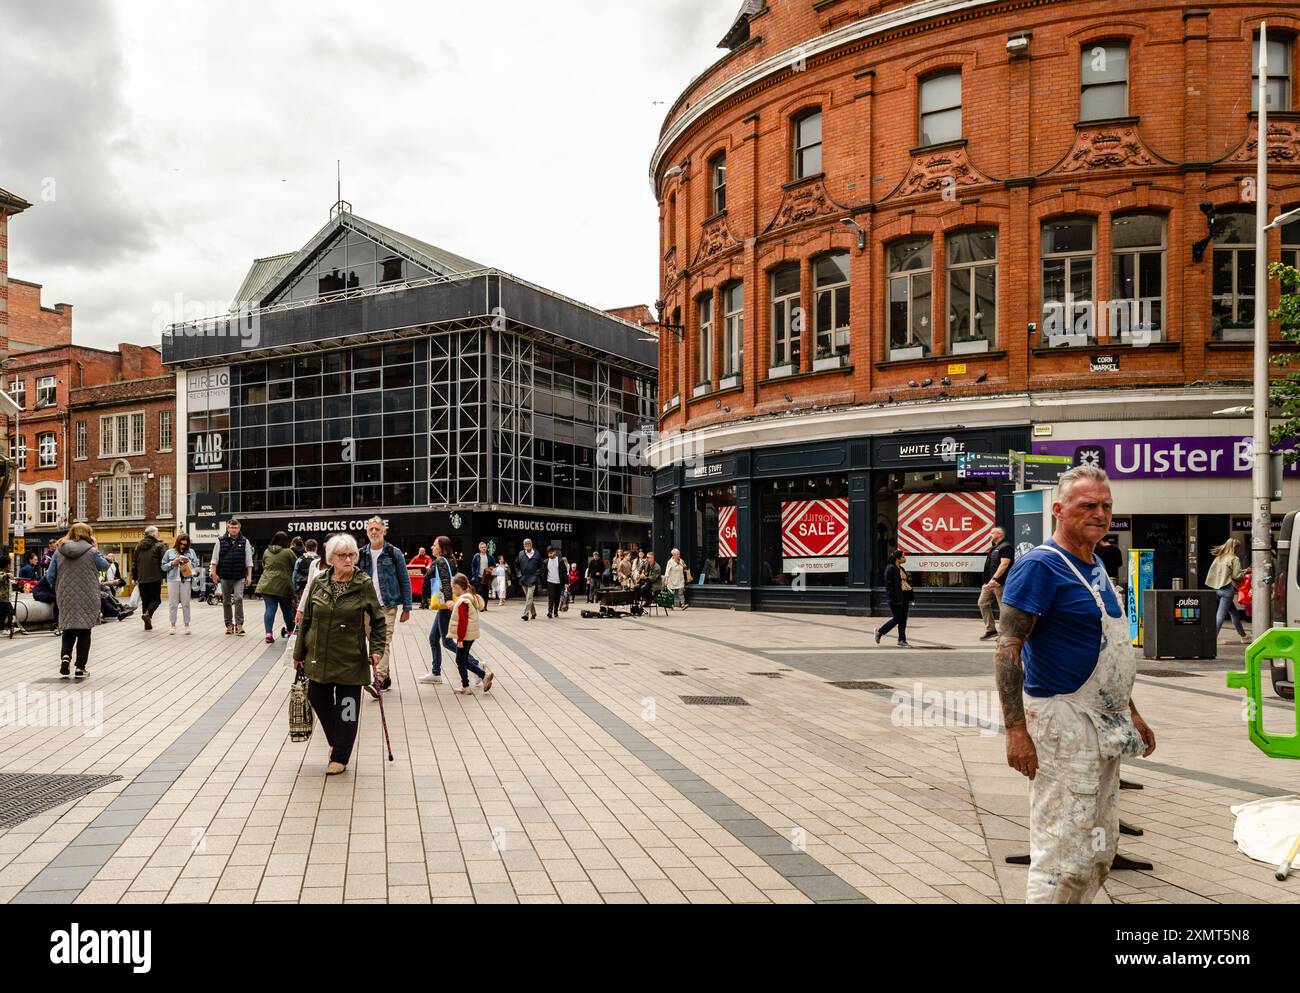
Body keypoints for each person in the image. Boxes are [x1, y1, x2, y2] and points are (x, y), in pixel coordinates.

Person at [996, 465, 1156, 905]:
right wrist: (1015, 730)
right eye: (1088, 505)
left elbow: (1109, 652)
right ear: (1058, 510)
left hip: (1103, 724)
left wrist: (1132, 711)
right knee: (1062, 856)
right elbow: (1007, 647)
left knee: (1098, 854)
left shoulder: (1096, 565)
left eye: (1106, 506)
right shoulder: (1039, 566)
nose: (1100, 513)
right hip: (1061, 723)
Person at [293, 533, 386, 776]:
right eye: (343, 555)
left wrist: (376, 649)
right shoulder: (319, 581)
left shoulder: (363, 584)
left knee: (347, 709)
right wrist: (298, 651)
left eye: (352, 555)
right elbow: (307, 620)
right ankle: (338, 740)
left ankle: (340, 757)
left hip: (350, 660)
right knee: (317, 697)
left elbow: (378, 620)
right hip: (319, 656)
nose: (348, 559)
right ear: (331, 558)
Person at [46, 523, 111, 679]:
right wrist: (96, 549)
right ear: (88, 534)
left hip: (65, 595)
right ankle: (80, 668)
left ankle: (65, 657)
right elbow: (105, 566)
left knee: (68, 628)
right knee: (84, 630)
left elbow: (50, 575)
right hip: (88, 595)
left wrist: (58, 587)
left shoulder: (58, 550)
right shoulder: (92, 551)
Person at [356, 517, 412, 693]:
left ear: (384, 531)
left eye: (377, 529)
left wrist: (407, 607)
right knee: (373, 642)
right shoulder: (360, 554)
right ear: (367, 532)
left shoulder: (393, 553)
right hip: (366, 608)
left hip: (387, 606)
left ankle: (378, 680)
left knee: (383, 642)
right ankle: (385, 677)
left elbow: (404, 580)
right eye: (371, 529)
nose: (374, 532)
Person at [448, 573, 495, 696]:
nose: (453, 590)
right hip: (470, 635)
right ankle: (483, 675)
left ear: (458, 587)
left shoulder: (463, 601)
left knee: (460, 660)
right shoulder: (469, 598)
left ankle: (467, 685)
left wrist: (460, 639)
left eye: (453, 587)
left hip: (465, 636)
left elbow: (462, 622)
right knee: (462, 660)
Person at [209, 518, 253, 636]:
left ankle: (239, 625)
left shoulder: (245, 541)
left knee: (238, 598)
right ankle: (229, 625)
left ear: (239, 528)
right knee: (226, 601)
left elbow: (249, 561)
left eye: (236, 528)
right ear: (228, 528)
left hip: (239, 575)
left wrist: (249, 576)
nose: (234, 530)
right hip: (225, 575)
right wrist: (214, 573)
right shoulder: (220, 541)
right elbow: (214, 560)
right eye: (232, 527)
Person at [1205, 537, 1250, 644]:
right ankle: (1212, 638)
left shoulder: (1219, 557)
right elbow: (1237, 576)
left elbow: (1222, 572)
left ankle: (1243, 636)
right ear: (1235, 547)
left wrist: (1241, 571)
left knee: (1234, 613)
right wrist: (1245, 573)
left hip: (1216, 589)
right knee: (1220, 615)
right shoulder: (1234, 559)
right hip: (1227, 590)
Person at [256, 532, 298, 644]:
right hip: (284, 585)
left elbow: (264, 566)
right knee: (287, 610)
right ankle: (290, 632)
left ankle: (268, 634)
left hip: (267, 584)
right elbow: (296, 565)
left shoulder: (266, 551)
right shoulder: (288, 552)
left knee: (270, 609)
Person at [161, 533, 201, 635]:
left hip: (186, 579)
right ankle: (172, 625)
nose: (183, 546)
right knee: (173, 604)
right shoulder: (170, 552)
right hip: (172, 580)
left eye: (185, 544)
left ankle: (187, 625)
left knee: (186, 603)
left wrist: (188, 562)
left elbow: (196, 565)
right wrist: (172, 563)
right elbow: (163, 566)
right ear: (177, 542)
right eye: (181, 544)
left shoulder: (191, 552)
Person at [979, 527, 1014, 641]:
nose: (990, 534)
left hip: (999, 584)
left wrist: (995, 579)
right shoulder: (995, 548)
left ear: (999, 534)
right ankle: (991, 630)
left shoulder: (1006, 547)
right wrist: (989, 581)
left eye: (992, 533)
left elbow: (1004, 564)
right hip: (989, 584)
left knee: (1003, 608)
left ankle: (1005, 633)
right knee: (982, 603)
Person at [876, 550, 914, 648]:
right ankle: (880, 631)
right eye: (903, 557)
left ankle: (902, 640)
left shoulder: (901, 568)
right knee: (897, 618)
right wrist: (892, 598)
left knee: (903, 619)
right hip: (896, 597)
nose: (905, 558)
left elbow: (906, 582)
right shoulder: (890, 569)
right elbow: (889, 586)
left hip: (904, 596)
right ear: (897, 558)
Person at [132, 525, 166, 631]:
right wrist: (165, 576)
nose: (158, 534)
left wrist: (135, 577)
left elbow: (134, 563)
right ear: (153, 534)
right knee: (156, 600)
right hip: (155, 577)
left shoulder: (138, 546)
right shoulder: (159, 545)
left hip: (142, 578)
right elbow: (163, 562)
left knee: (145, 601)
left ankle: (147, 624)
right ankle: (148, 614)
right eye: (157, 532)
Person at [515, 538, 543, 621]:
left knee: (529, 596)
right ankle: (533, 613)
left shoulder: (537, 554)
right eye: (525, 544)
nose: (527, 545)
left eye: (529, 543)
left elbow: (541, 567)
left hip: (533, 579)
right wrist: (519, 575)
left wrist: (536, 575)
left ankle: (525, 614)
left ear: (531, 544)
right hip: (523, 579)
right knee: (528, 597)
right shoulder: (520, 554)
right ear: (523, 545)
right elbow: (516, 565)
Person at [543, 546, 569, 619]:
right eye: (549, 554)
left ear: (554, 552)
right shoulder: (546, 562)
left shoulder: (560, 561)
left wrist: (566, 582)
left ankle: (555, 612)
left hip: (559, 582)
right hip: (550, 581)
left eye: (551, 553)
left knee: (557, 597)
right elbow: (544, 573)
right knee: (551, 597)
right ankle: (550, 612)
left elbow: (564, 572)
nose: (550, 555)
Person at [470, 541, 493, 612]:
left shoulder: (490, 556)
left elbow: (494, 565)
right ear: (479, 548)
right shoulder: (476, 556)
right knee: (480, 591)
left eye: (485, 547)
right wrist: (474, 575)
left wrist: (489, 569)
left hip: (486, 577)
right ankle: (481, 606)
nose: (484, 548)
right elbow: (473, 566)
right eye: (482, 547)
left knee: (486, 592)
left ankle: (485, 606)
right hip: (479, 577)